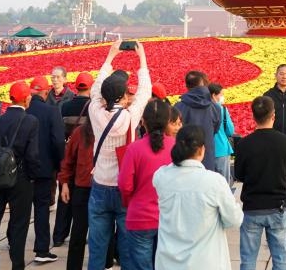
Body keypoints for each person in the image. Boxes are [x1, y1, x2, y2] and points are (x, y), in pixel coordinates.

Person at [88, 39, 152, 270]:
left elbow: (96, 89)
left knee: (96, 247)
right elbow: (145, 92)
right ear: (124, 96)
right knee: (127, 248)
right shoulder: (128, 117)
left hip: (99, 185)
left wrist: (110, 56)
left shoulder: (95, 110)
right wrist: (142, 58)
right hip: (123, 188)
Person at [152, 125, 242, 268]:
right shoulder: (214, 181)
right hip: (205, 262)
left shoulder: (161, 176)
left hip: (168, 262)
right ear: (202, 149)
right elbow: (234, 220)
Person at [0, 80, 41, 270]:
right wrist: (32, 176)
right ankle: (17, 265)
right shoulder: (30, 121)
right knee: (19, 225)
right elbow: (32, 155)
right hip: (21, 179)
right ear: (26, 99)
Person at [235, 95, 286, 270]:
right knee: (280, 259)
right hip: (277, 206)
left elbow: (239, 174)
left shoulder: (244, 144)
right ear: (273, 115)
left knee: (248, 259)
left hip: (252, 207)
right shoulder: (285, 142)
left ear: (253, 117)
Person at [119, 98, 174, 270]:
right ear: (167, 122)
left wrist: (131, 202)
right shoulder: (176, 146)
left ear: (143, 122)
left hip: (140, 217)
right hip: (169, 218)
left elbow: (124, 185)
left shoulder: (135, 149)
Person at [27, 75, 66, 264]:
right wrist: (60, 164)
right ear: (45, 91)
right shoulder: (52, 112)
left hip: (22, 170)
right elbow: (58, 141)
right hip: (44, 168)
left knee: (21, 208)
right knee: (42, 208)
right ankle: (41, 250)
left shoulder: (24, 110)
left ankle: (12, 241)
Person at [54, 71, 94, 248]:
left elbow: (62, 132)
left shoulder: (66, 107)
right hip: (86, 158)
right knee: (85, 200)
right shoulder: (94, 107)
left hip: (68, 154)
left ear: (75, 87)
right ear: (90, 87)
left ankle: (59, 235)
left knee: (65, 197)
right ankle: (84, 232)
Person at [173, 70, 220, 172]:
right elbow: (215, 130)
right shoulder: (215, 108)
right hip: (207, 159)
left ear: (187, 86)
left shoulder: (178, 107)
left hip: (184, 161)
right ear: (204, 84)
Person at [208, 83, 235, 187]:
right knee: (224, 184)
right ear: (214, 95)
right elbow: (230, 131)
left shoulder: (202, 109)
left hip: (205, 151)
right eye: (221, 94)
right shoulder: (221, 109)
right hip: (221, 149)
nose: (222, 97)